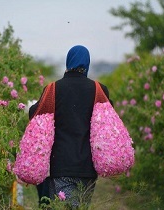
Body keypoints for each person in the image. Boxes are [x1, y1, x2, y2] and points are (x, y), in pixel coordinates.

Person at [29, 45, 113, 209]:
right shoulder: (99, 90)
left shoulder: (53, 89)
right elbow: (109, 118)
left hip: (60, 165)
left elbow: (34, 113)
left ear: (68, 62)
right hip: (88, 168)